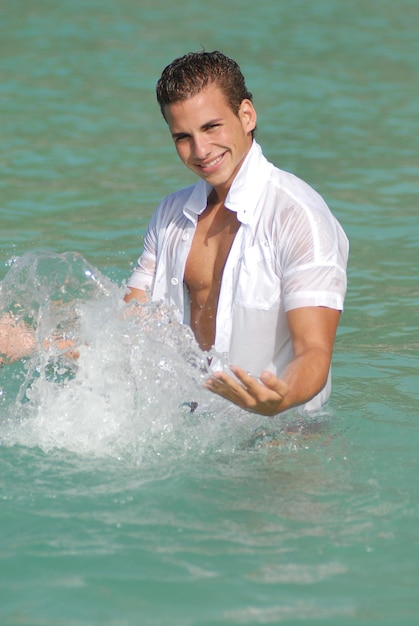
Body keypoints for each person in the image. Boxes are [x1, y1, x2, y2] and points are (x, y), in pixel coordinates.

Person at [125, 50, 349, 416]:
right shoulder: (169, 216)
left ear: (246, 115)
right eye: (183, 136)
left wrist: (281, 397)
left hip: (283, 437)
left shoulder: (298, 215)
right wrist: (37, 342)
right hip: (195, 432)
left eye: (212, 127)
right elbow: (127, 330)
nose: (200, 150)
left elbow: (314, 351)